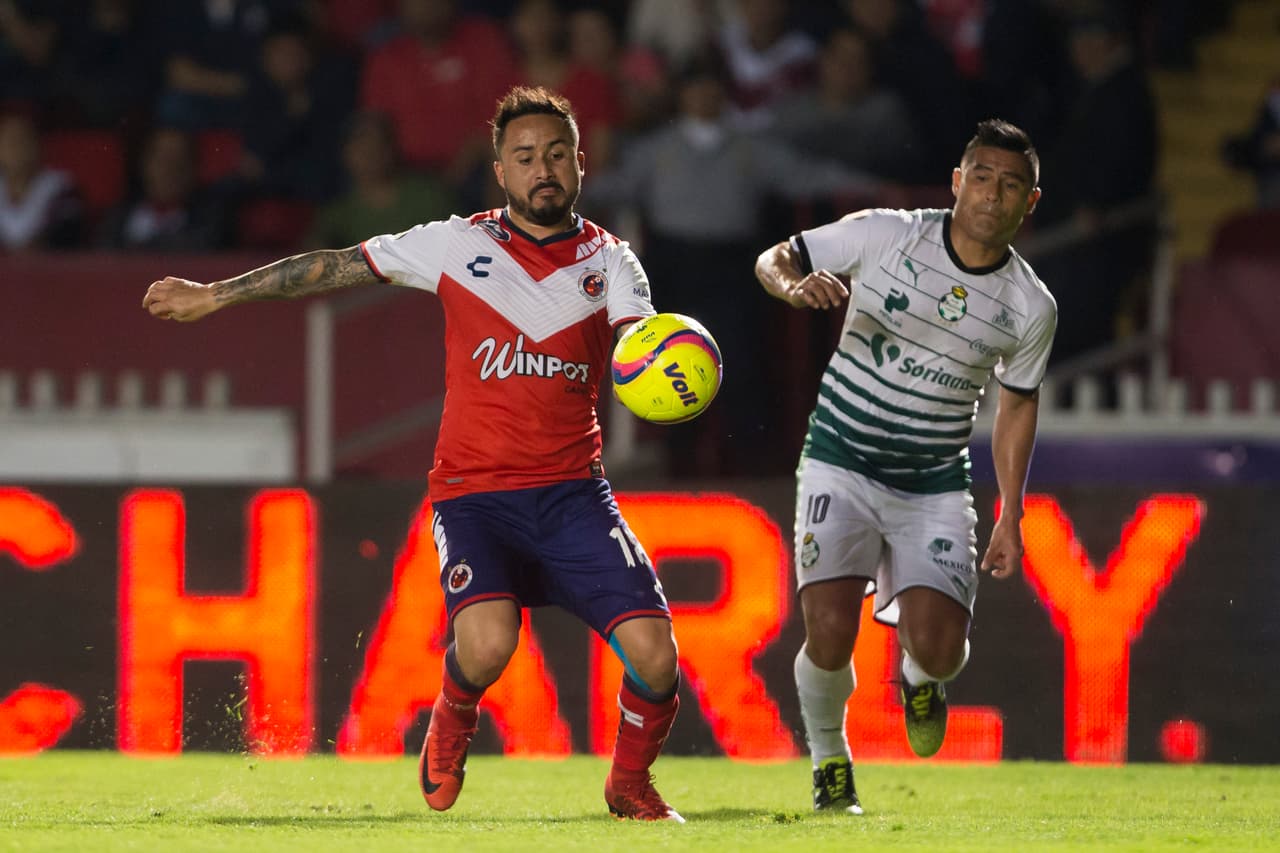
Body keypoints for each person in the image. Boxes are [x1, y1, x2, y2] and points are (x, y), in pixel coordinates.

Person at [141, 86, 685, 823]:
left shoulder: (614, 263)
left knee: (656, 655)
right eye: (525, 157)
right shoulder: (459, 244)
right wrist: (219, 294)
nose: (543, 168)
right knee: (487, 643)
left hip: (571, 492)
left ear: (581, 163)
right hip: (474, 494)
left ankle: (629, 783)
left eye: (557, 153)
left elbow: (639, 349)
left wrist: (669, 369)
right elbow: (334, 265)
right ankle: (453, 714)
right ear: (500, 171)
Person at [754, 119, 1055, 814]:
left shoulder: (1030, 305)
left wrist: (1011, 512)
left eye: (1011, 184)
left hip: (933, 480)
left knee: (943, 647)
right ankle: (831, 762)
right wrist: (793, 288)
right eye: (981, 176)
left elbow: (1016, 408)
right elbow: (777, 257)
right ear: (957, 181)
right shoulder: (887, 234)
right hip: (841, 458)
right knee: (827, 629)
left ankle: (923, 675)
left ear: (1029, 203)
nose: (992, 193)